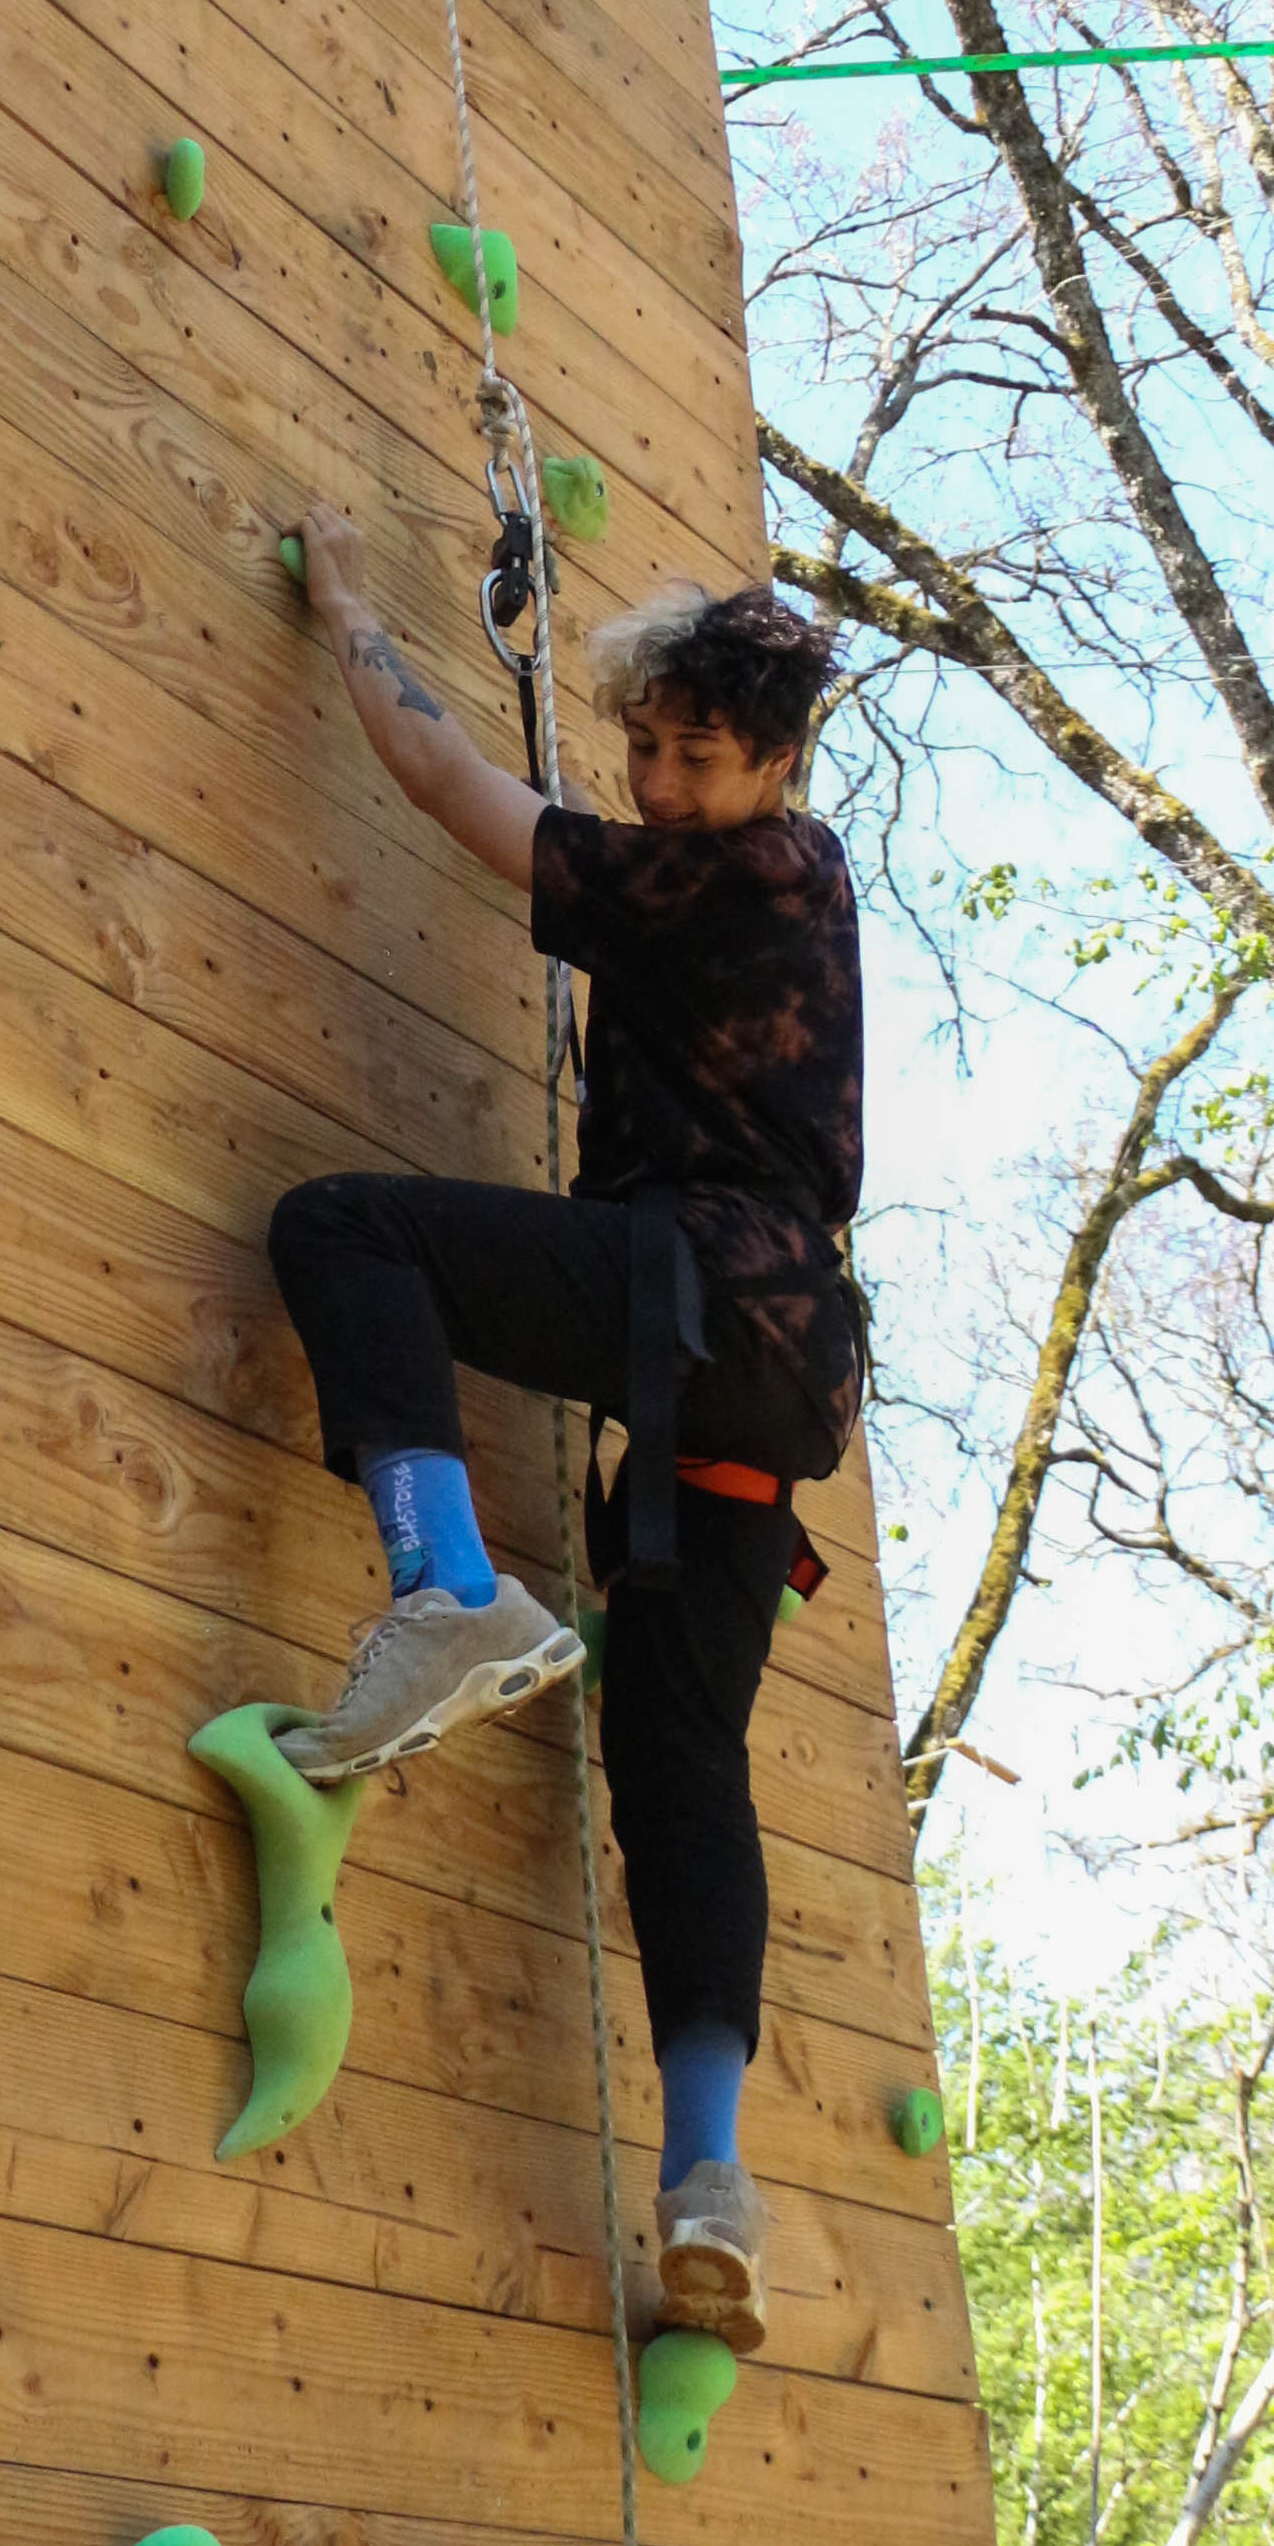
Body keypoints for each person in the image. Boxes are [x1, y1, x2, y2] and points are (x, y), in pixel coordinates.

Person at [263, 510, 864, 2357]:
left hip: (695, 1295)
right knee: (678, 1765)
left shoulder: (730, 872)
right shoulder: (802, 876)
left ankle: (446, 1585)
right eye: (647, 749)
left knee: (345, 1230)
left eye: (699, 754)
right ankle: (709, 2180)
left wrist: (351, 613)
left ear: (777, 760)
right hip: (774, 1382)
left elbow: (447, 777)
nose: (661, 784)